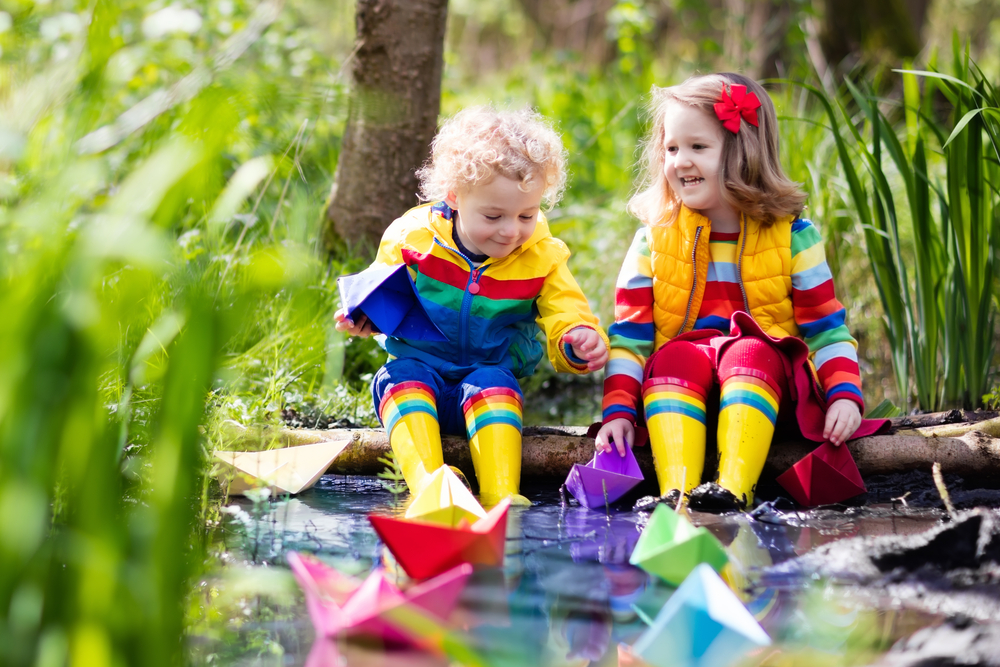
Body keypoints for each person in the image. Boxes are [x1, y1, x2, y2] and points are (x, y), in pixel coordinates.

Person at [595, 72, 884, 510]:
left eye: (698, 147)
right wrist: (617, 410)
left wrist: (845, 395)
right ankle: (677, 494)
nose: (680, 161)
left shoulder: (792, 237)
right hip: (679, 398)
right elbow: (630, 337)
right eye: (671, 148)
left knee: (750, 349)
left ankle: (733, 492)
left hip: (764, 397)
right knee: (672, 354)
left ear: (743, 151)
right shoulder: (653, 239)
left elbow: (827, 330)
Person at [336, 106, 610, 507]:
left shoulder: (542, 257)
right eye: (493, 215)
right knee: (397, 377)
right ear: (454, 197)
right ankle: (429, 487)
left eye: (526, 215)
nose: (511, 230)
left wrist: (576, 339)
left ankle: (501, 495)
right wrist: (364, 317)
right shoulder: (414, 238)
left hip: (487, 384)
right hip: (420, 374)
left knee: (494, 382)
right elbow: (381, 293)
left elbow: (565, 311)